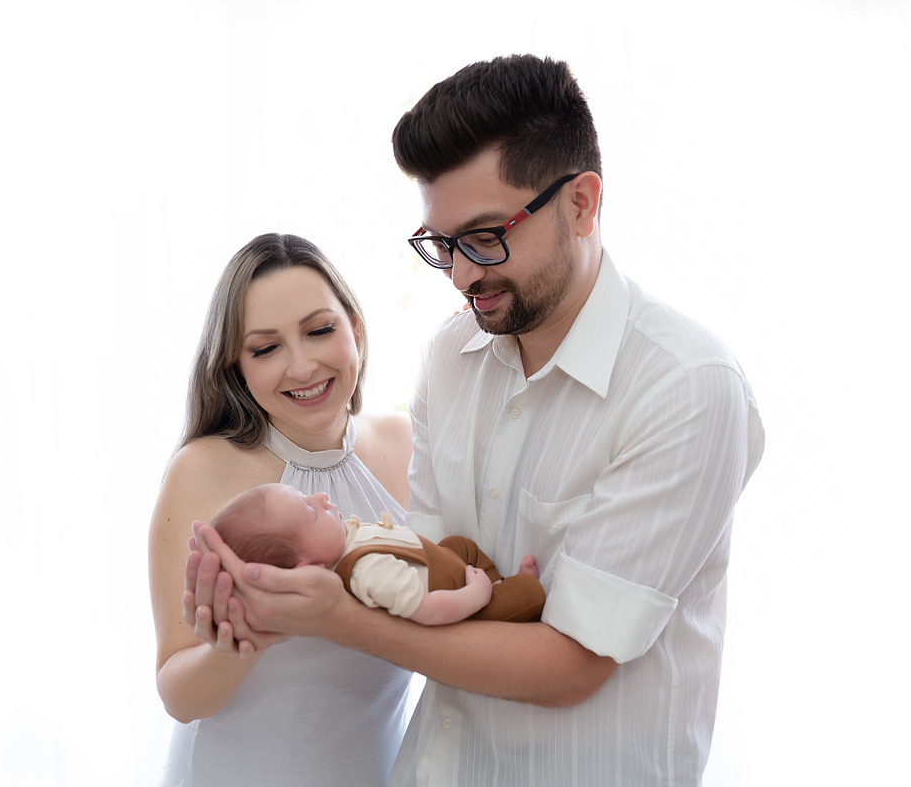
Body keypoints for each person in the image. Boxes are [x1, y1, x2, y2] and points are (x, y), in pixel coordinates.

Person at [186, 54, 765, 786]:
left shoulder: (685, 387)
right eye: (441, 245)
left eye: (486, 236)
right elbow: (425, 566)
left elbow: (573, 666)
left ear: (582, 203)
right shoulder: (452, 356)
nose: (461, 275)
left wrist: (336, 617)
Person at [148, 233, 415, 786]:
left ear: (355, 327)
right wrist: (247, 638)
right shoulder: (202, 469)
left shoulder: (408, 444)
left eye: (320, 330)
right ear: (237, 367)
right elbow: (177, 692)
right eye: (265, 349)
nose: (302, 366)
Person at [209, 482, 546, 624]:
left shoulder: (343, 540)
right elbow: (428, 610)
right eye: (311, 512)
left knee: (459, 545)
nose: (321, 498)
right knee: (530, 594)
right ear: (307, 567)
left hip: (441, 564)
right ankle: (505, 592)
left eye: (307, 496)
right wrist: (477, 593)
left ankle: (495, 579)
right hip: (459, 601)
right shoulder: (365, 573)